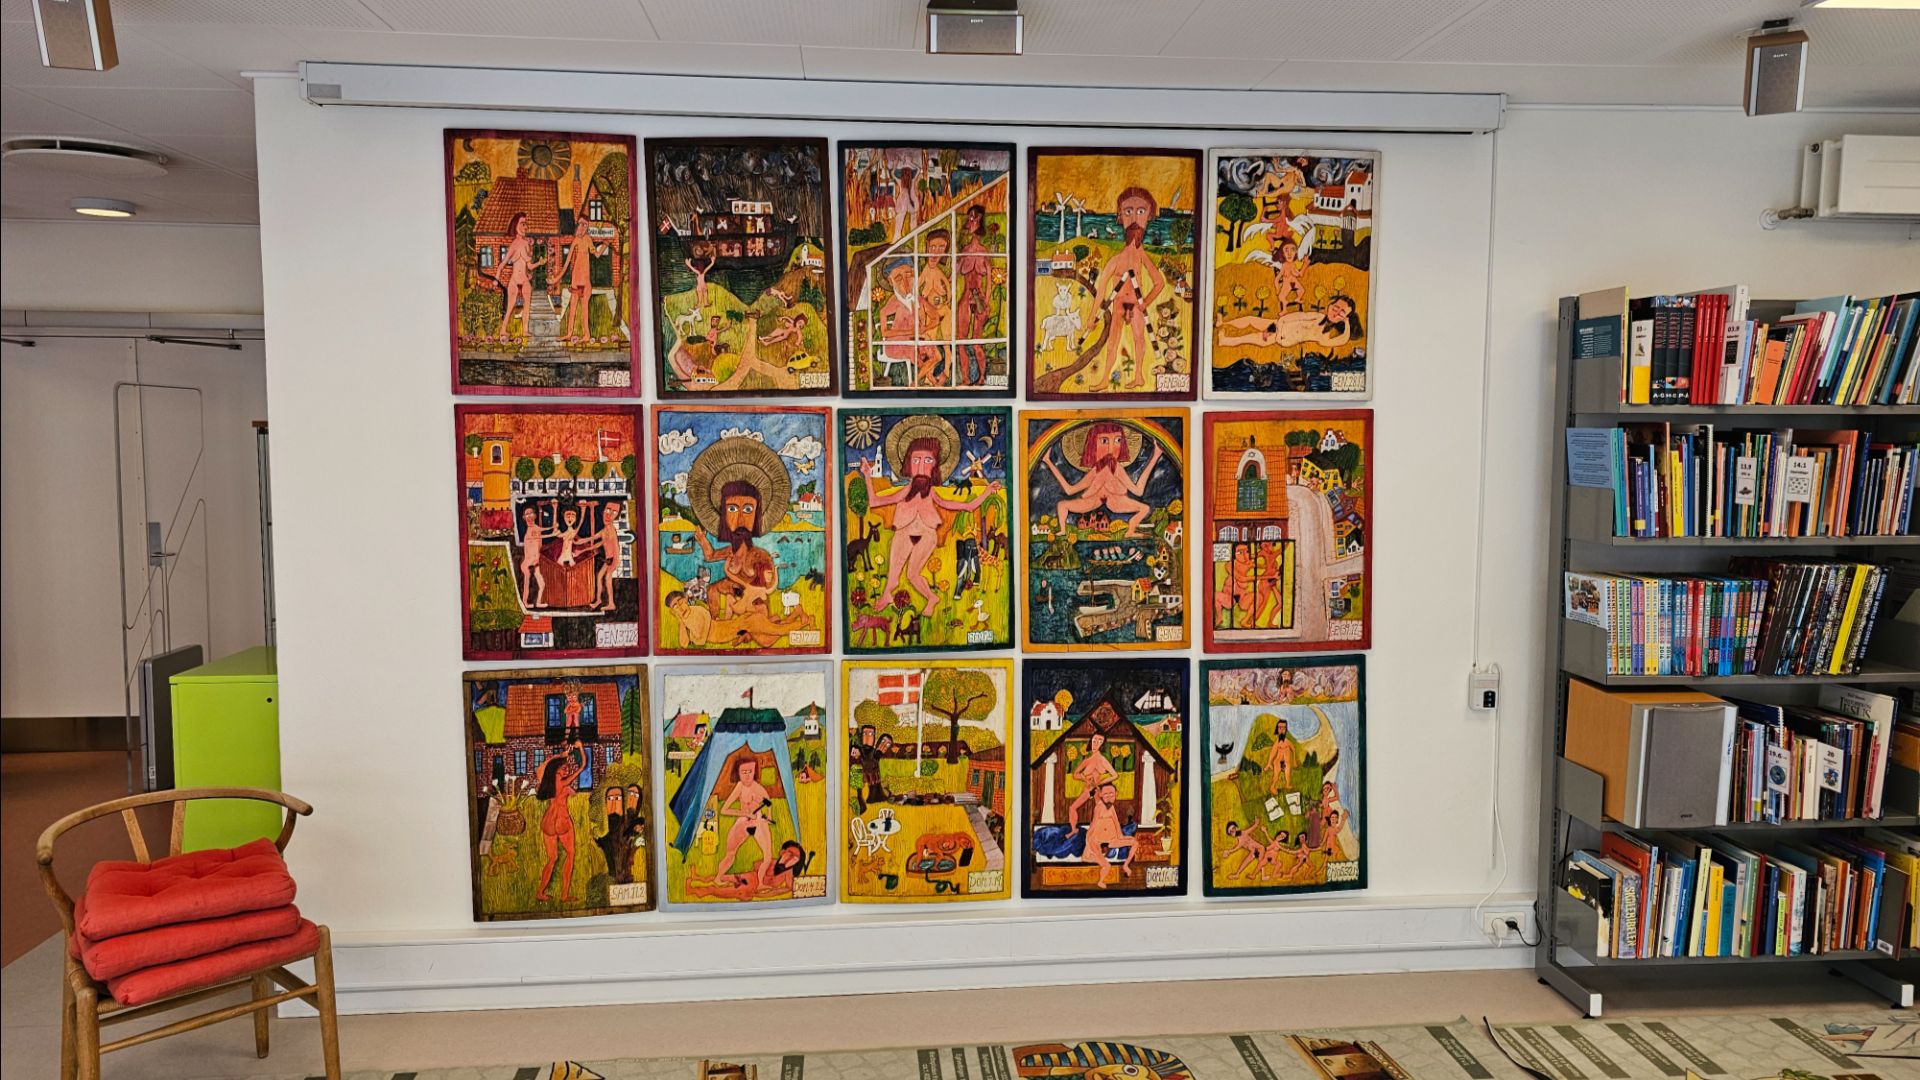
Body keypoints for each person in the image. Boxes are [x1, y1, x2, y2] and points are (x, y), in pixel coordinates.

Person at [867, 436, 1000, 617]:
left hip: (926, 536)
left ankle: (931, 598)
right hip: (904, 532)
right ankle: (887, 595)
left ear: (935, 466)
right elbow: (874, 502)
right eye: (916, 460)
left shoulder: (932, 494)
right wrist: (867, 475)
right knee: (892, 575)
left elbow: (968, 506)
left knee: (913, 575)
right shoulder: (906, 491)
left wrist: (987, 491)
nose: (921, 467)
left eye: (928, 460)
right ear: (909, 464)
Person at [1091, 187, 1168, 391]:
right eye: (1128, 211)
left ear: (1149, 216)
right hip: (1118, 305)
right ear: (1120, 216)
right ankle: (1105, 379)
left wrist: (1145, 303)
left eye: (1141, 211)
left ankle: (1139, 376)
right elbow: (1101, 290)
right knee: (1113, 341)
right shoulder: (1116, 260)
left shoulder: (1141, 256)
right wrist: (1092, 317)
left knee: (1139, 339)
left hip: (1135, 305)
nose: (1134, 218)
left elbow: (1159, 282)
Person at [1044, 421, 1164, 537]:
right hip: (1093, 501)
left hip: (1117, 501)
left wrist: (1155, 456)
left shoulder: (1116, 468)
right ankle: (1063, 531)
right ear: (1092, 445)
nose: (1111, 448)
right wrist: (1048, 461)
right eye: (1104, 441)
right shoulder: (1096, 470)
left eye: (1118, 440)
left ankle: (1130, 531)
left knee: (1145, 508)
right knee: (1062, 505)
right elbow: (1070, 490)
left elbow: (1138, 491)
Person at [692, 480, 778, 617]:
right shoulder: (729, 551)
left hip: (753, 598)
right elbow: (710, 556)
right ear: (724, 515)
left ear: (756, 515)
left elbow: (770, 583)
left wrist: (756, 588)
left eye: (748, 510)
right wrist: (703, 540)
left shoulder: (760, 555)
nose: (740, 519)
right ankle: (714, 621)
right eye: (732, 509)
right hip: (734, 591)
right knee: (712, 589)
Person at [1214, 296, 1362, 351]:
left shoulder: (1325, 336)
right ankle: (1224, 323)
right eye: (1335, 307)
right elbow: (1299, 316)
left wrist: (1347, 324)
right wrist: (1276, 325)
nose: (1336, 313)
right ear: (1330, 306)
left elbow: (1342, 340)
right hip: (1280, 324)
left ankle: (1225, 341)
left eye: (1342, 313)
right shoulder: (1318, 316)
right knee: (1251, 320)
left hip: (1281, 336)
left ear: (1344, 318)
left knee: (1250, 337)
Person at [533, 748, 582, 903]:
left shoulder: (547, 781)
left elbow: (540, 769)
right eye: (564, 767)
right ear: (556, 770)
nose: (567, 770)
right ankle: (564, 895)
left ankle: (540, 892)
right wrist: (580, 749)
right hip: (562, 820)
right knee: (571, 854)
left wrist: (560, 756)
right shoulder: (563, 783)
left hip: (549, 821)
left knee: (552, 858)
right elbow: (582, 767)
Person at [716, 758, 774, 881]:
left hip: (758, 821)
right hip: (743, 821)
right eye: (744, 772)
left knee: (768, 855)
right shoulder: (739, 786)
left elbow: (769, 805)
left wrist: (768, 816)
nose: (747, 776)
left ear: (754, 772)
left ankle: (760, 883)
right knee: (730, 852)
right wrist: (745, 813)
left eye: (750, 771)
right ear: (738, 773)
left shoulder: (759, 789)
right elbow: (724, 810)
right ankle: (718, 878)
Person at [954, 205, 994, 384]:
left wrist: (987, 301)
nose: (969, 222)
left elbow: (990, 280)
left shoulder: (984, 252)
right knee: (961, 340)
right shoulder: (964, 250)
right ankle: (965, 378)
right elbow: (954, 273)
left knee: (977, 341)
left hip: (980, 299)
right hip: (965, 298)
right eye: (969, 218)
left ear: (979, 220)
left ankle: (982, 377)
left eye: (973, 218)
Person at [559, 219, 607, 343]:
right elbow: (567, 262)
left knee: (585, 309)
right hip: (576, 279)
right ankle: (569, 334)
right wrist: (556, 278)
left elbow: (596, 254)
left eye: (585, 225)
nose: (583, 227)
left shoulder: (588, 239)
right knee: (572, 308)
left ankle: (586, 335)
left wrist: (605, 245)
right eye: (581, 224)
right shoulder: (575, 240)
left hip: (585, 280)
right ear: (578, 225)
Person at [491, 212, 537, 342]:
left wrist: (539, 263)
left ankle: (525, 330)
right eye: (522, 224)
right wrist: (496, 279)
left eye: (526, 224)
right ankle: (503, 330)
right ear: (515, 225)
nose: (525, 227)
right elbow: (502, 264)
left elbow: (529, 266)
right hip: (514, 280)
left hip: (525, 280)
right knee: (510, 306)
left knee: (527, 305)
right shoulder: (514, 244)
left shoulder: (527, 244)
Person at [1082, 783, 1136, 888]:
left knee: (1135, 843)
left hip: (1111, 840)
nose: (1109, 797)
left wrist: (1124, 837)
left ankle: (1126, 865)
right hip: (1096, 841)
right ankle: (1101, 881)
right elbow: (1092, 828)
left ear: (1116, 794)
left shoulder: (1112, 808)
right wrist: (1089, 845)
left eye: (1111, 794)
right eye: (1106, 794)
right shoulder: (1099, 808)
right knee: (1107, 866)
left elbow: (1117, 826)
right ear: (1101, 795)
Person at [1065, 731, 1117, 831]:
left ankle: (1100, 830)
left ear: (1102, 744)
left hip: (1098, 790)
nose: (1096, 744)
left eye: (1099, 741)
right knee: (1072, 808)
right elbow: (1075, 774)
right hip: (1087, 789)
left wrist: (1101, 783)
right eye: (1094, 740)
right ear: (1091, 741)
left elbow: (1115, 775)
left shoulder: (1102, 760)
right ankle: (1073, 830)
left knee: (1100, 811)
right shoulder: (1087, 761)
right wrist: (1085, 778)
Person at [591, 501, 622, 612]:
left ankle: (611, 603)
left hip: (613, 559)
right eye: (608, 510)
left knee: (607, 578)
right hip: (608, 559)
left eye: (614, 512)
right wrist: (579, 541)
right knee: (599, 577)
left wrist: (582, 549)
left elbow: (599, 543)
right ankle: (598, 600)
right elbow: (593, 538)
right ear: (603, 511)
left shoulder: (611, 530)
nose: (609, 515)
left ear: (617, 516)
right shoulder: (605, 529)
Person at [517, 504, 548, 609]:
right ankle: (525, 602)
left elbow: (543, 530)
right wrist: (553, 533)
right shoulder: (530, 530)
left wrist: (553, 528)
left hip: (536, 562)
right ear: (524, 517)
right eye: (527, 514)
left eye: (531, 513)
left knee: (542, 584)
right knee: (527, 583)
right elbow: (540, 535)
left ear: (535, 515)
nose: (529, 516)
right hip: (528, 563)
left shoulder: (536, 528)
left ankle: (538, 602)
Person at [1264, 716, 1295, 794]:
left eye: (1284, 728)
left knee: (1287, 774)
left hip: (1286, 762)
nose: (1281, 729)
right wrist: (1269, 763)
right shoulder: (1276, 743)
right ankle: (1272, 787)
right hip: (1278, 762)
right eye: (1280, 727)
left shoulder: (1288, 742)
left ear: (1286, 729)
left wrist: (1294, 761)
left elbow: (1293, 749)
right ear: (1277, 729)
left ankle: (1287, 784)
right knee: (1276, 776)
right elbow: (1272, 753)